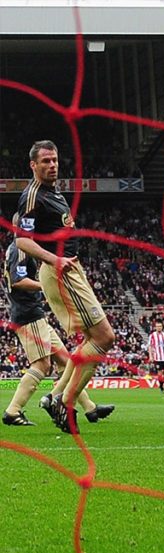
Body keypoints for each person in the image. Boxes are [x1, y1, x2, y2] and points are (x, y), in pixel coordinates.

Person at [15, 141, 117, 434]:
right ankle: (63, 399)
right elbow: (22, 241)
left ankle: (56, 396)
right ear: (33, 165)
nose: (52, 165)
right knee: (103, 337)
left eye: (55, 160)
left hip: (69, 269)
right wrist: (54, 260)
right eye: (45, 161)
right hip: (59, 271)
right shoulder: (33, 196)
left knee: (92, 339)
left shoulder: (53, 192)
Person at [2, 224, 114, 428]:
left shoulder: (19, 249)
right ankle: (13, 411)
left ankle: (89, 407)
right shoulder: (20, 249)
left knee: (66, 360)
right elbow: (17, 281)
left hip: (34, 313)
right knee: (42, 365)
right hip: (28, 314)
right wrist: (47, 287)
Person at [147, 320, 164, 393]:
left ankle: (162, 383)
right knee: (160, 373)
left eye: (160, 326)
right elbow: (150, 346)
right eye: (157, 326)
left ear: (162, 327)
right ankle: (161, 386)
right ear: (155, 327)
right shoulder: (152, 335)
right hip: (157, 357)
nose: (159, 328)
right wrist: (151, 356)